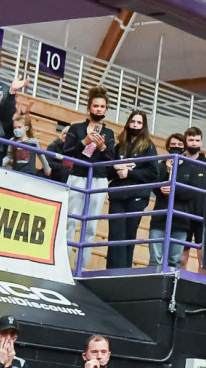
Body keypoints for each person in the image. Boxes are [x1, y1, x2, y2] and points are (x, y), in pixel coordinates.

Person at [61, 87, 117, 270]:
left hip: (99, 179)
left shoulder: (108, 134)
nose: (99, 109)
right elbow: (67, 152)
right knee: (70, 221)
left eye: (102, 106)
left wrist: (101, 147)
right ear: (89, 107)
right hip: (78, 175)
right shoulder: (77, 128)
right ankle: (62, 263)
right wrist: (83, 142)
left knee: (91, 226)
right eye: (96, 106)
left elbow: (111, 160)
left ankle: (80, 268)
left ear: (106, 109)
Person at [105, 110, 158, 270]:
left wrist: (130, 173)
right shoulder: (119, 146)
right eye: (133, 122)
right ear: (128, 123)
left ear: (144, 126)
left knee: (129, 236)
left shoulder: (149, 147)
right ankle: (111, 272)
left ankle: (124, 273)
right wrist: (116, 167)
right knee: (115, 235)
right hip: (117, 196)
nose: (135, 125)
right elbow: (107, 172)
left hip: (136, 197)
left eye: (139, 123)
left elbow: (153, 173)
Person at [148, 134, 200, 267]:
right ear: (167, 147)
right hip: (160, 218)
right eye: (173, 145)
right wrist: (167, 171)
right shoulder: (160, 166)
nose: (176, 147)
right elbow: (155, 188)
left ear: (184, 147)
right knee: (155, 259)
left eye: (179, 145)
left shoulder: (191, 168)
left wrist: (174, 189)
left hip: (180, 221)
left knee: (174, 261)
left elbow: (191, 193)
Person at [179, 127, 206, 270]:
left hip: (203, 216)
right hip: (183, 215)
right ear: (185, 141)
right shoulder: (179, 161)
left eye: (197, 140)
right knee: (182, 258)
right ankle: (179, 287)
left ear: (201, 142)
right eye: (191, 140)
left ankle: (202, 290)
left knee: (203, 259)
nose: (194, 143)